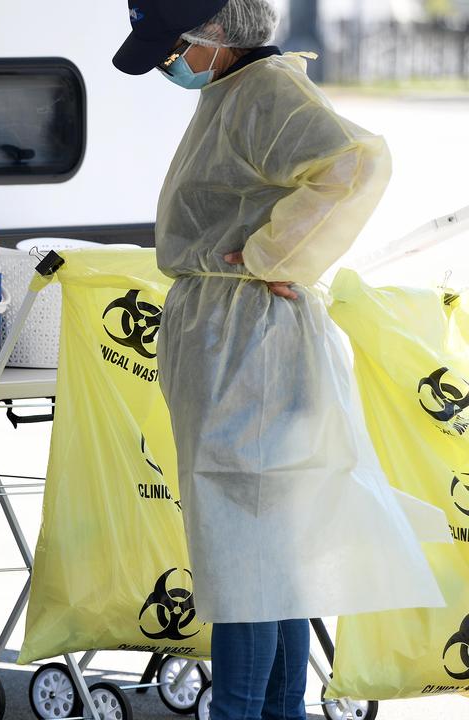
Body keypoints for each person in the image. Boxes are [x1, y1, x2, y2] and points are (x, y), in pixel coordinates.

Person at [113, 2, 446, 719]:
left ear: (214, 31)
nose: (170, 61)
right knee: (275, 552)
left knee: (249, 556)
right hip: (229, 336)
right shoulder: (234, 88)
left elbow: (356, 162)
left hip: (248, 341)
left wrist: (277, 254)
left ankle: (242, 711)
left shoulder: (267, 89)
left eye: (173, 45)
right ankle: (276, 711)